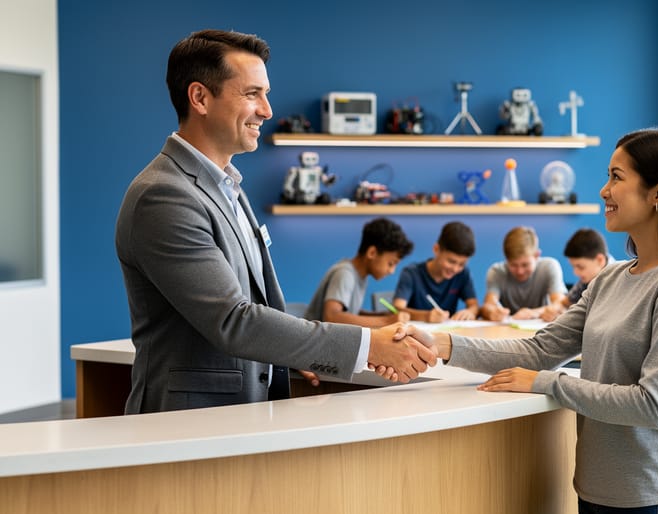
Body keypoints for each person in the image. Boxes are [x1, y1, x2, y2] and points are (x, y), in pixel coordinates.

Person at [408, 128, 658, 513]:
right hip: (596, 488)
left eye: (617, 177)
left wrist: (548, 383)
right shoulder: (612, 277)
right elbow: (540, 350)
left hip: (655, 496)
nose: (603, 190)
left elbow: (652, 406)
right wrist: (443, 344)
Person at [114, 30, 434, 414]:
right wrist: (369, 345)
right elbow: (233, 320)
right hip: (188, 420)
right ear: (199, 97)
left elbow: (256, 306)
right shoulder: (164, 195)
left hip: (237, 415)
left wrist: (290, 352)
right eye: (252, 94)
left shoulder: (227, 184)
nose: (267, 110)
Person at [304, 217, 413, 327]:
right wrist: (386, 321)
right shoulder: (345, 273)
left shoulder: (361, 276)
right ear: (372, 253)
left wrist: (383, 316)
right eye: (391, 263)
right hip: (316, 343)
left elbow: (350, 313)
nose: (392, 271)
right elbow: (332, 316)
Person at [392, 221, 480, 322]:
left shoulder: (463, 273)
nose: (455, 269)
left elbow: (474, 305)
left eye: (461, 264)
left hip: (446, 334)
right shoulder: (411, 273)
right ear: (436, 249)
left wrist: (470, 312)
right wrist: (426, 316)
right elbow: (397, 309)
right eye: (451, 261)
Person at [480, 226, 567, 321]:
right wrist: (492, 312)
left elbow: (559, 304)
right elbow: (488, 305)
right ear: (506, 259)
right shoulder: (496, 272)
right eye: (513, 265)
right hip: (507, 331)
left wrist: (534, 312)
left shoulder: (549, 267)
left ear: (537, 255)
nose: (520, 271)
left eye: (525, 265)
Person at [541, 227, 610, 321]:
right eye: (573, 267)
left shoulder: (617, 280)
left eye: (580, 267)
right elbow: (564, 303)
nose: (575, 272)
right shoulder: (587, 279)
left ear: (600, 260)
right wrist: (555, 309)